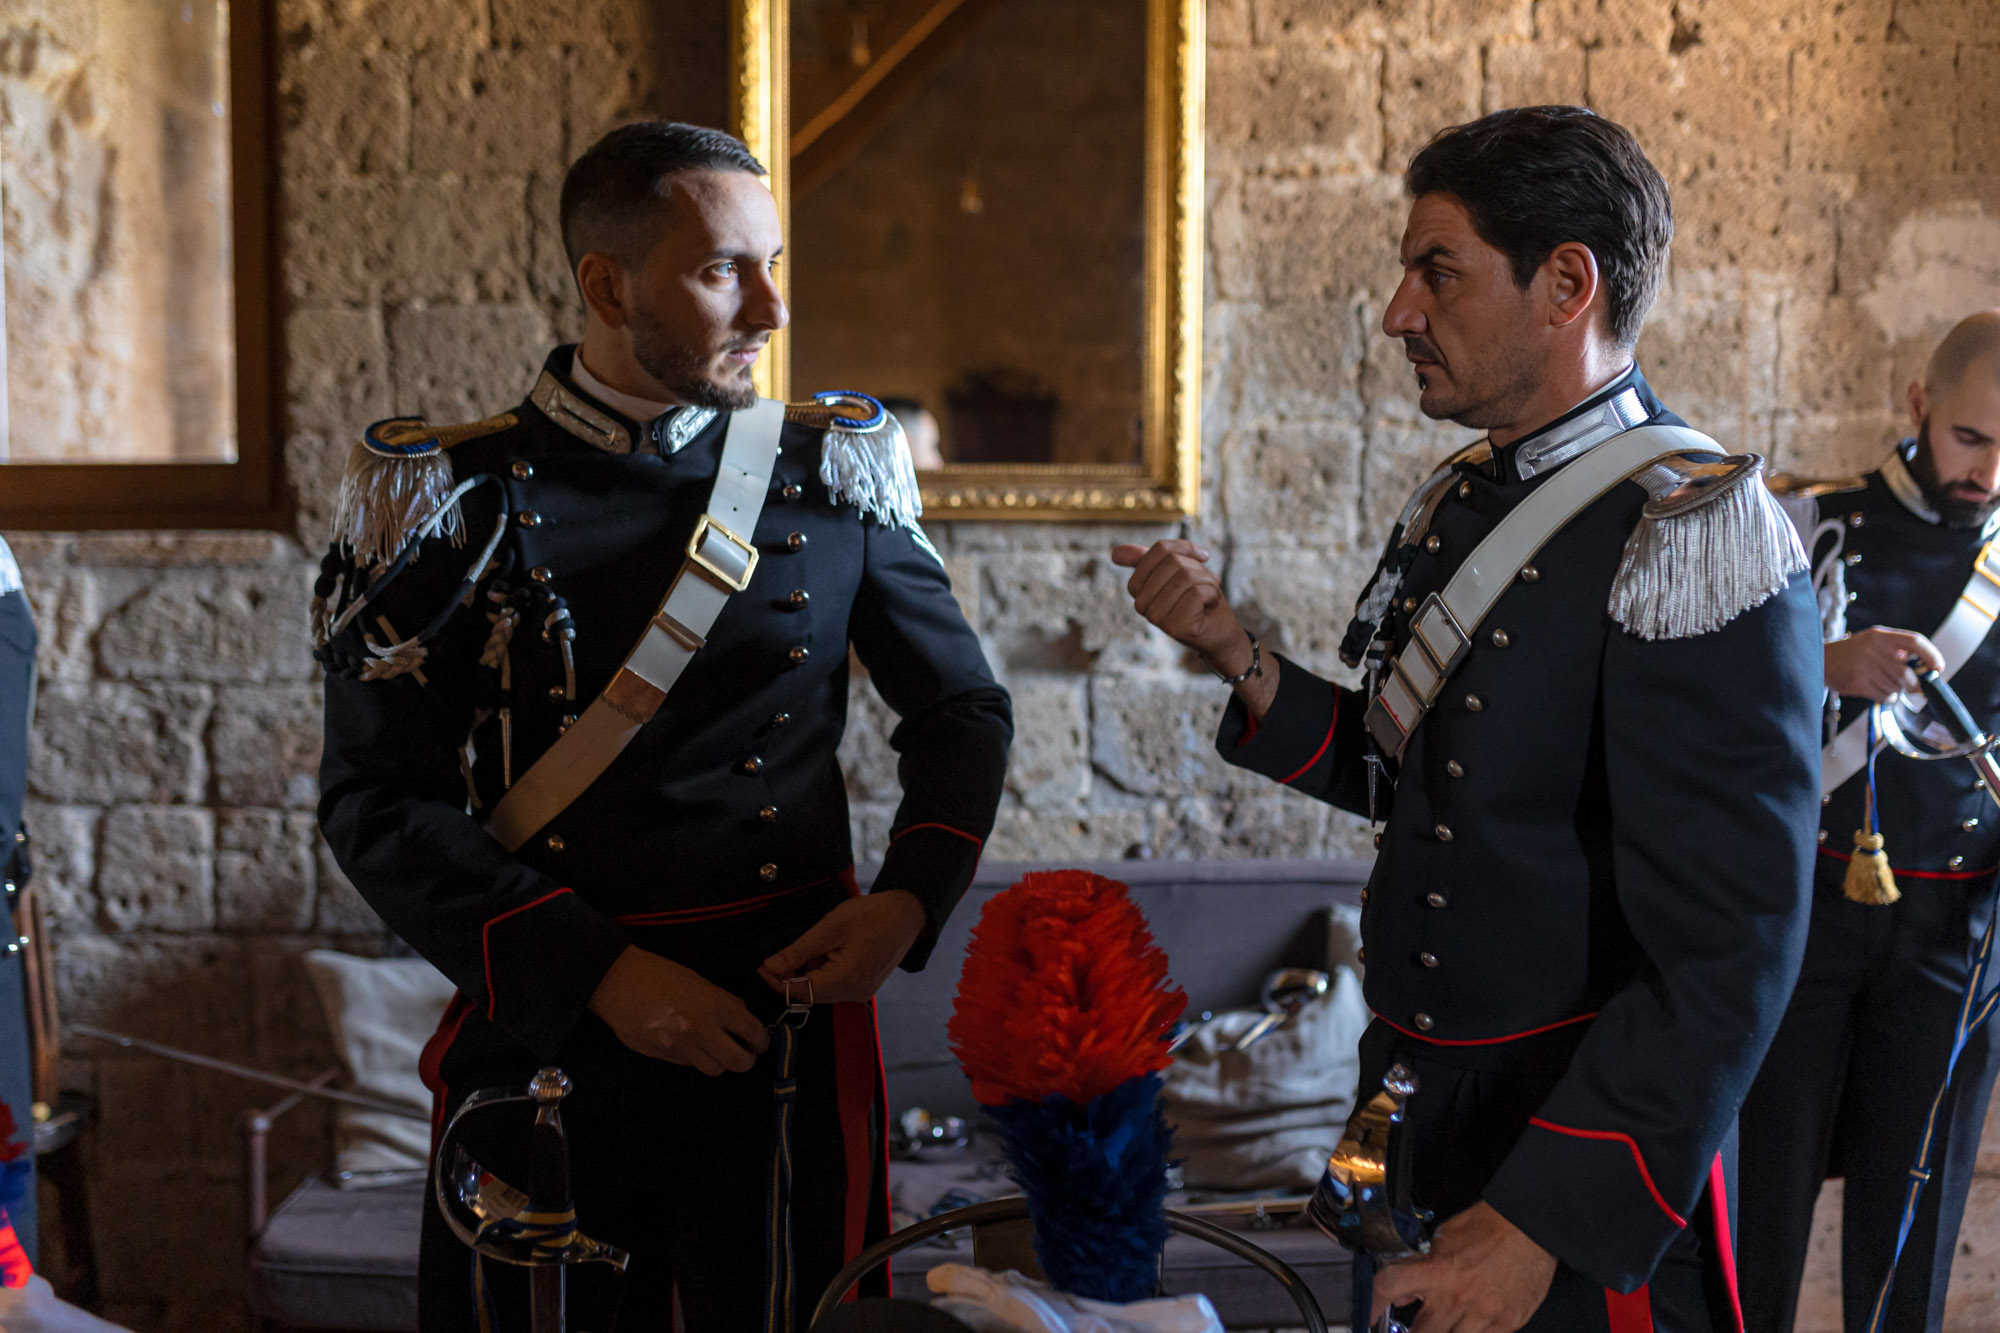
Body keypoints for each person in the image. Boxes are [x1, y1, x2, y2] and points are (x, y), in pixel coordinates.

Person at [1115, 106, 1823, 1332]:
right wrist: (1234, 656)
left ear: (1565, 283)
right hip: (1415, 1122)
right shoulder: (1464, 499)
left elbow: (1731, 949)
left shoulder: (1690, 530)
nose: (1397, 312)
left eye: (1433, 270)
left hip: (1564, 1152)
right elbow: (1426, 788)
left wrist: (1544, 1217)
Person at [313, 122, 1012, 1333]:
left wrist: (905, 900)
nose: (772, 307)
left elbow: (960, 709)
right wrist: (601, 976)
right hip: (551, 1026)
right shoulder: (449, 497)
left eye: (771, 261)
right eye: (722, 271)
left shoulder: (828, 470)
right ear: (606, 284)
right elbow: (375, 801)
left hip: (782, 1034)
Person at [1738, 309, 2000, 1333]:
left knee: (1910, 1229)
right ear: (1918, 407)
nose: (1984, 471)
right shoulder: (1803, 521)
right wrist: (1823, 664)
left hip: (1952, 933)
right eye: (1969, 438)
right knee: (1764, 1201)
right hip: (1802, 914)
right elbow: (1708, 709)